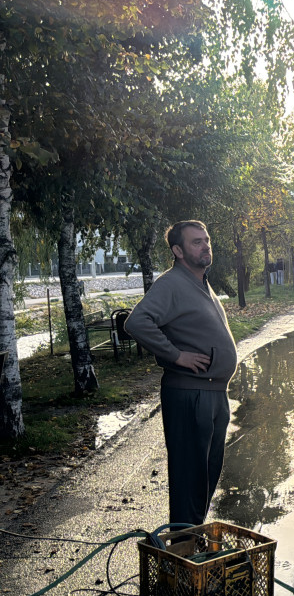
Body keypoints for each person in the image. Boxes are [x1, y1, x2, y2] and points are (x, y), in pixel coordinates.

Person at [125, 221, 238, 528]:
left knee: (206, 478)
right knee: (190, 480)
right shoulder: (172, 282)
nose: (205, 246)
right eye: (196, 242)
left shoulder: (200, 281)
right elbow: (137, 322)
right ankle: (181, 559)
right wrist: (176, 355)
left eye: (207, 241)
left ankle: (192, 548)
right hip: (191, 394)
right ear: (178, 251)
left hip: (214, 393)